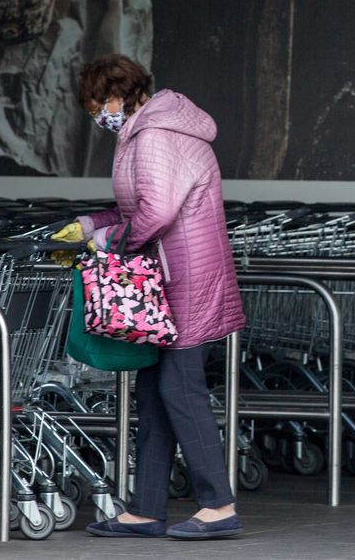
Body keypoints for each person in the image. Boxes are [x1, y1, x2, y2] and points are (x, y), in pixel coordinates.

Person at [52, 54, 247, 540]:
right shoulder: (147, 130)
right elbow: (140, 207)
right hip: (170, 277)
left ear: (119, 94)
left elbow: (156, 212)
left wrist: (107, 242)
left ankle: (218, 505)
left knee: (180, 390)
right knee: (154, 393)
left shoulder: (156, 134)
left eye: (98, 103)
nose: (97, 115)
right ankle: (147, 508)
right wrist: (92, 225)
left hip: (185, 278)